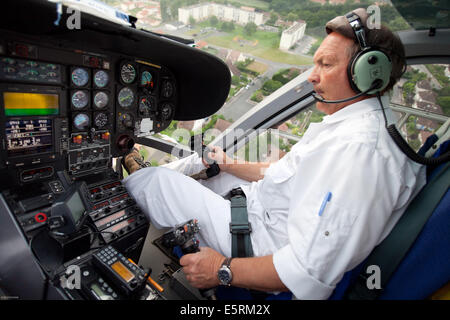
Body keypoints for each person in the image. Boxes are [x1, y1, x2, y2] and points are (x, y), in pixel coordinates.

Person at [122, 9, 426, 299]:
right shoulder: (350, 127)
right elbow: (285, 173)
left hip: (259, 246)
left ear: (368, 72)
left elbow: (308, 270)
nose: (312, 76)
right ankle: (141, 174)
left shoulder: (361, 153)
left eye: (326, 64)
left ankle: (132, 182)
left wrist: (221, 269)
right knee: (203, 161)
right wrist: (229, 163)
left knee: (155, 182)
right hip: (261, 211)